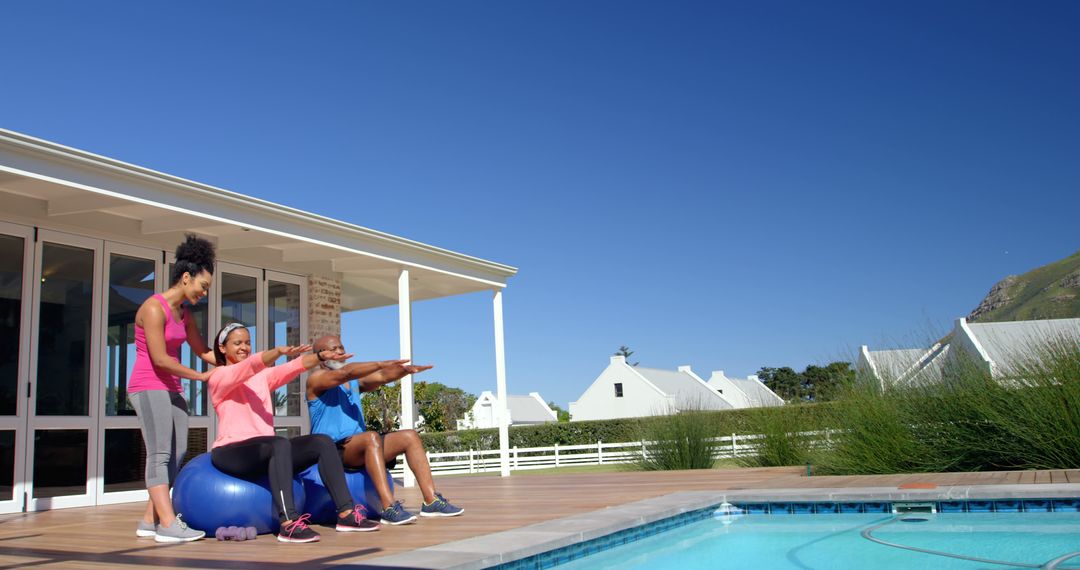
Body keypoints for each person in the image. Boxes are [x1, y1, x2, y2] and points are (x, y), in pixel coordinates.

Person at [208, 323, 381, 543]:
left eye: (247, 342)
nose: (244, 347)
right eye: (237, 343)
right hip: (231, 452)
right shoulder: (219, 377)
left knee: (321, 442)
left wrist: (319, 356)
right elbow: (250, 365)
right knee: (278, 444)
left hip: (264, 451)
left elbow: (293, 367)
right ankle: (288, 523)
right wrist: (277, 352)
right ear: (222, 348)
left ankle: (346, 514)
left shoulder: (261, 377)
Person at [306, 335, 464, 525]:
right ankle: (389, 507)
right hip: (332, 450)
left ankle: (431, 501)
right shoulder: (316, 379)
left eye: (341, 347)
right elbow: (346, 373)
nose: (340, 351)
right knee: (371, 437)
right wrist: (380, 363)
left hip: (360, 446)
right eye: (333, 349)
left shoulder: (354, 383)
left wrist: (404, 371)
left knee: (410, 436)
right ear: (320, 355)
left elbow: (381, 377)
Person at [129, 235, 216, 543]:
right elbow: (160, 359)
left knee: (177, 452)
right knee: (160, 453)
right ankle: (167, 524)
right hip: (148, 385)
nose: (203, 293)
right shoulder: (154, 308)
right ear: (185, 277)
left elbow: (203, 350)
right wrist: (200, 377)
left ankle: (148, 520)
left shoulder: (185, 314)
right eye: (202, 286)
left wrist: (240, 360)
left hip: (171, 387)